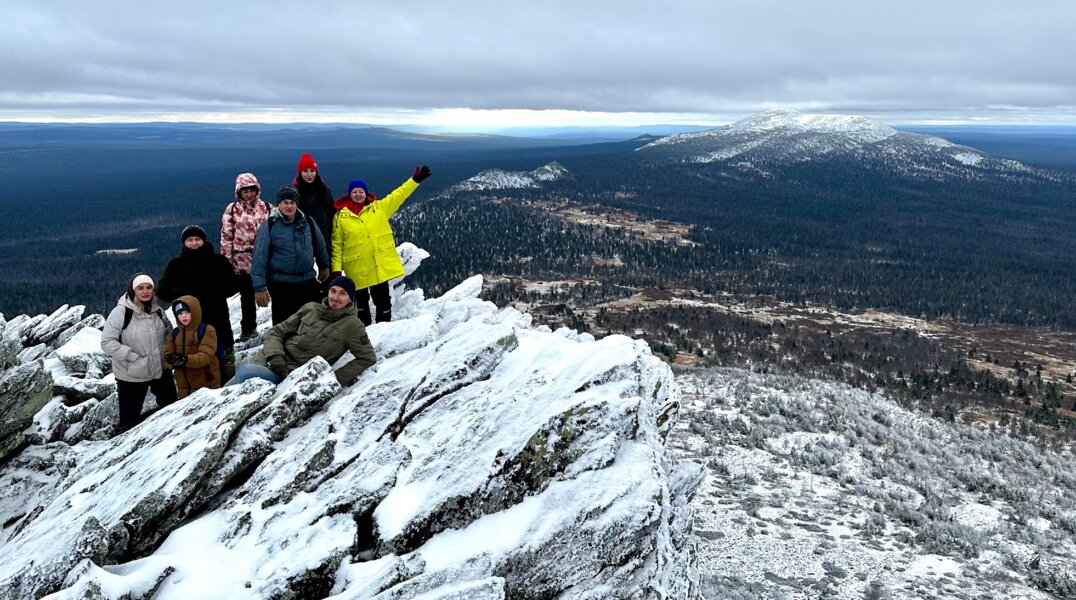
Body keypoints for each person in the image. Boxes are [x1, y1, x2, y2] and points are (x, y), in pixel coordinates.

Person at [226, 276, 376, 387]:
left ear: (351, 299)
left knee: (245, 373)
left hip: (289, 373)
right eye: (333, 291)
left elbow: (367, 358)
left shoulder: (352, 325)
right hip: (269, 359)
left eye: (343, 293)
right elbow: (277, 331)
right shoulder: (311, 308)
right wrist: (275, 355)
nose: (335, 297)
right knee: (224, 390)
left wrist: (332, 379)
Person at [331, 165, 431, 325]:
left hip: (378, 265)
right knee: (360, 306)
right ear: (349, 194)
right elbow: (336, 246)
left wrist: (415, 181)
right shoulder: (340, 217)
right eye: (354, 192)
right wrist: (336, 270)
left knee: (383, 302)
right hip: (356, 268)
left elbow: (398, 195)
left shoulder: (379, 208)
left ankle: (384, 332)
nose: (358, 194)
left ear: (365, 193)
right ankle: (364, 335)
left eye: (360, 191)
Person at [100, 273, 178, 434]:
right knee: (128, 422)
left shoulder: (158, 311)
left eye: (149, 287)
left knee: (172, 410)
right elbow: (107, 342)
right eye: (140, 288)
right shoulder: (121, 312)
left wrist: (168, 354)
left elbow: (169, 333)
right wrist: (132, 356)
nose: (145, 291)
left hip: (159, 370)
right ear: (132, 291)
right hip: (131, 374)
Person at [157, 225, 238, 377]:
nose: (194, 243)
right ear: (184, 243)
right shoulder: (176, 265)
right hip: (190, 323)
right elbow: (162, 290)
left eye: (197, 239)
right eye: (190, 240)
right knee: (197, 365)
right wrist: (187, 296)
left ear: (204, 241)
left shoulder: (218, 261)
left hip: (218, 318)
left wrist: (213, 291)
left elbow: (233, 285)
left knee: (225, 364)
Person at [251, 186, 331, 325]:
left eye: (292, 202)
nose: (289, 206)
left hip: (306, 280)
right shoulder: (270, 225)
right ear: (279, 204)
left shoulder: (308, 222)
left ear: (297, 204)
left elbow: (320, 246)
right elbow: (259, 257)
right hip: (281, 285)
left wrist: (324, 266)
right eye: (285, 202)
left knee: (313, 322)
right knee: (284, 326)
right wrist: (259, 288)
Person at [220, 172, 271, 339]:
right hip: (242, 262)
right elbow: (226, 237)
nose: (249, 194)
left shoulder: (267, 208)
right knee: (247, 297)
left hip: (265, 260)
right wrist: (227, 263)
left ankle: (279, 324)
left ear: (257, 190)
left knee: (273, 292)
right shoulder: (232, 210)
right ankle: (248, 330)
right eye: (245, 191)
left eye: (252, 190)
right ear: (239, 192)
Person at [164, 296, 221, 398]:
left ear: (195, 312)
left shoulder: (207, 330)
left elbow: (206, 356)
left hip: (207, 385)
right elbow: (167, 356)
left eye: (187, 312)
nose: (184, 316)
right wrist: (171, 362)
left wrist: (185, 360)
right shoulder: (175, 334)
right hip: (184, 388)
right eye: (180, 313)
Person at [294, 152, 336, 268]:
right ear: (300, 173)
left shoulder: (324, 191)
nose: (309, 175)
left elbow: (332, 214)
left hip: (324, 240)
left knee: (327, 275)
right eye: (305, 171)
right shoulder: (295, 193)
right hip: (303, 243)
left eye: (312, 171)